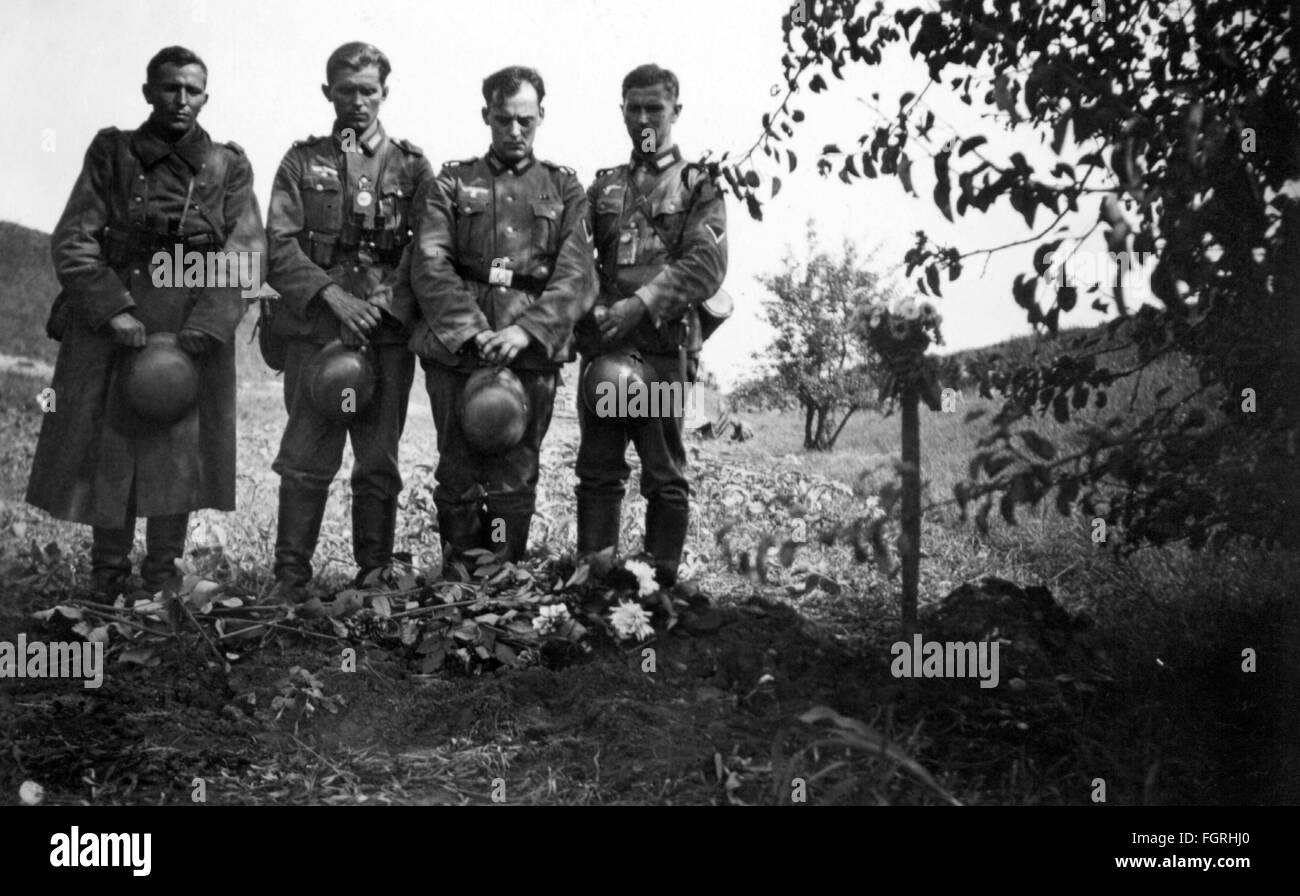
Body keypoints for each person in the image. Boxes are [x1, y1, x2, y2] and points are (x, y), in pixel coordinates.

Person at [26, 46, 264, 598]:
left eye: (192, 90)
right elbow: (75, 239)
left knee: (177, 452)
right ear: (148, 92)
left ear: (206, 95)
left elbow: (246, 252)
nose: (181, 100)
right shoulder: (113, 152)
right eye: (169, 88)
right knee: (111, 446)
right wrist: (113, 310)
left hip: (191, 326)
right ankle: (106, 577)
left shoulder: (229, 165)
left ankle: (162, 578)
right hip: (118, 321)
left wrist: (207, 326)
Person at [403, 65, 595, 570]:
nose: (514, 131)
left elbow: (577, 273)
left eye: (525, 121)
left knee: (516, 466)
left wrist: (526, 331)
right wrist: (472, 331)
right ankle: (460, 578)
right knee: (458, 465)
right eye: (504, 119)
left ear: (541, 118)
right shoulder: (452, 182)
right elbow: (429, 261)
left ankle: (501, 574)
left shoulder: (563, 189)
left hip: (529, 352)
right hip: (457, 349)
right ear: (486, 115)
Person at [264, 42, 433, 602]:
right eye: (346, 90)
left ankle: (374, 577)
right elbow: (280, 246)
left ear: (386, 91)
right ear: (327, 92)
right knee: (306, 457)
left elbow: (426, 251)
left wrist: (380, 306)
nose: (358, 102)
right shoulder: (300, 162)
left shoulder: (412, 166)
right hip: (316, 331)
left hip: (384, 337)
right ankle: (290, 581)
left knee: (378, 459)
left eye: (369, 91)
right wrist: (332, 296)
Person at [575, 64, 727, 586]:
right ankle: (594, 577)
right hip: (607, 353)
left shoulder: (695, 186)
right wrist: (592, 305)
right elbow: (579, 262)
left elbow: (706, 266)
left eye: (654, 108)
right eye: (634, 108)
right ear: (622, 111)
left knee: (663, 470)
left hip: (664, 354)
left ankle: (659, 584)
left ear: (675, 112)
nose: (643, 118)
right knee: (597, 468)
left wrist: (637, 305)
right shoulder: (603, 188)